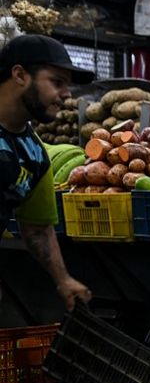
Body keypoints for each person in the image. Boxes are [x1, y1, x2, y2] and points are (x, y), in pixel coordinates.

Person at [0, 35, 93, 311]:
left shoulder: (33, 155)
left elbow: (38, 228)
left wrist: (63, 280)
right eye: (57, 82)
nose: (67, 94)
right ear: (20, 75)